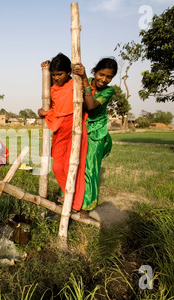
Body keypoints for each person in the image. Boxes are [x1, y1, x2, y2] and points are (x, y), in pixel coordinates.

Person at [37, 53, 88, 212]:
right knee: (58, 167)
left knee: (73, 166)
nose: (57, 78)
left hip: (75, 127)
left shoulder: (75, 84)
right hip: (59, 130)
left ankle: (75, 202)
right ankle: (68, 193)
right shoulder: (51, 90)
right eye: (54, 75)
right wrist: (41, 111)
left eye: (60, 74)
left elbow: (86, 99)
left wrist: (84, 80)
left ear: (69, 73)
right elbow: (50, 108)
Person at [73, 58, 118, 213]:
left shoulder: (108, 91)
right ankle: (73, 199)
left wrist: (85, 80)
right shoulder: (82, 80)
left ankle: (87, 206)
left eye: (108, 77)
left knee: (90, 169)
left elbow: (91, 106)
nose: (104, 79)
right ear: (95, 71)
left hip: (95, 133)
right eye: (101, 74)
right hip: (78, 129)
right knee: (74, 166)